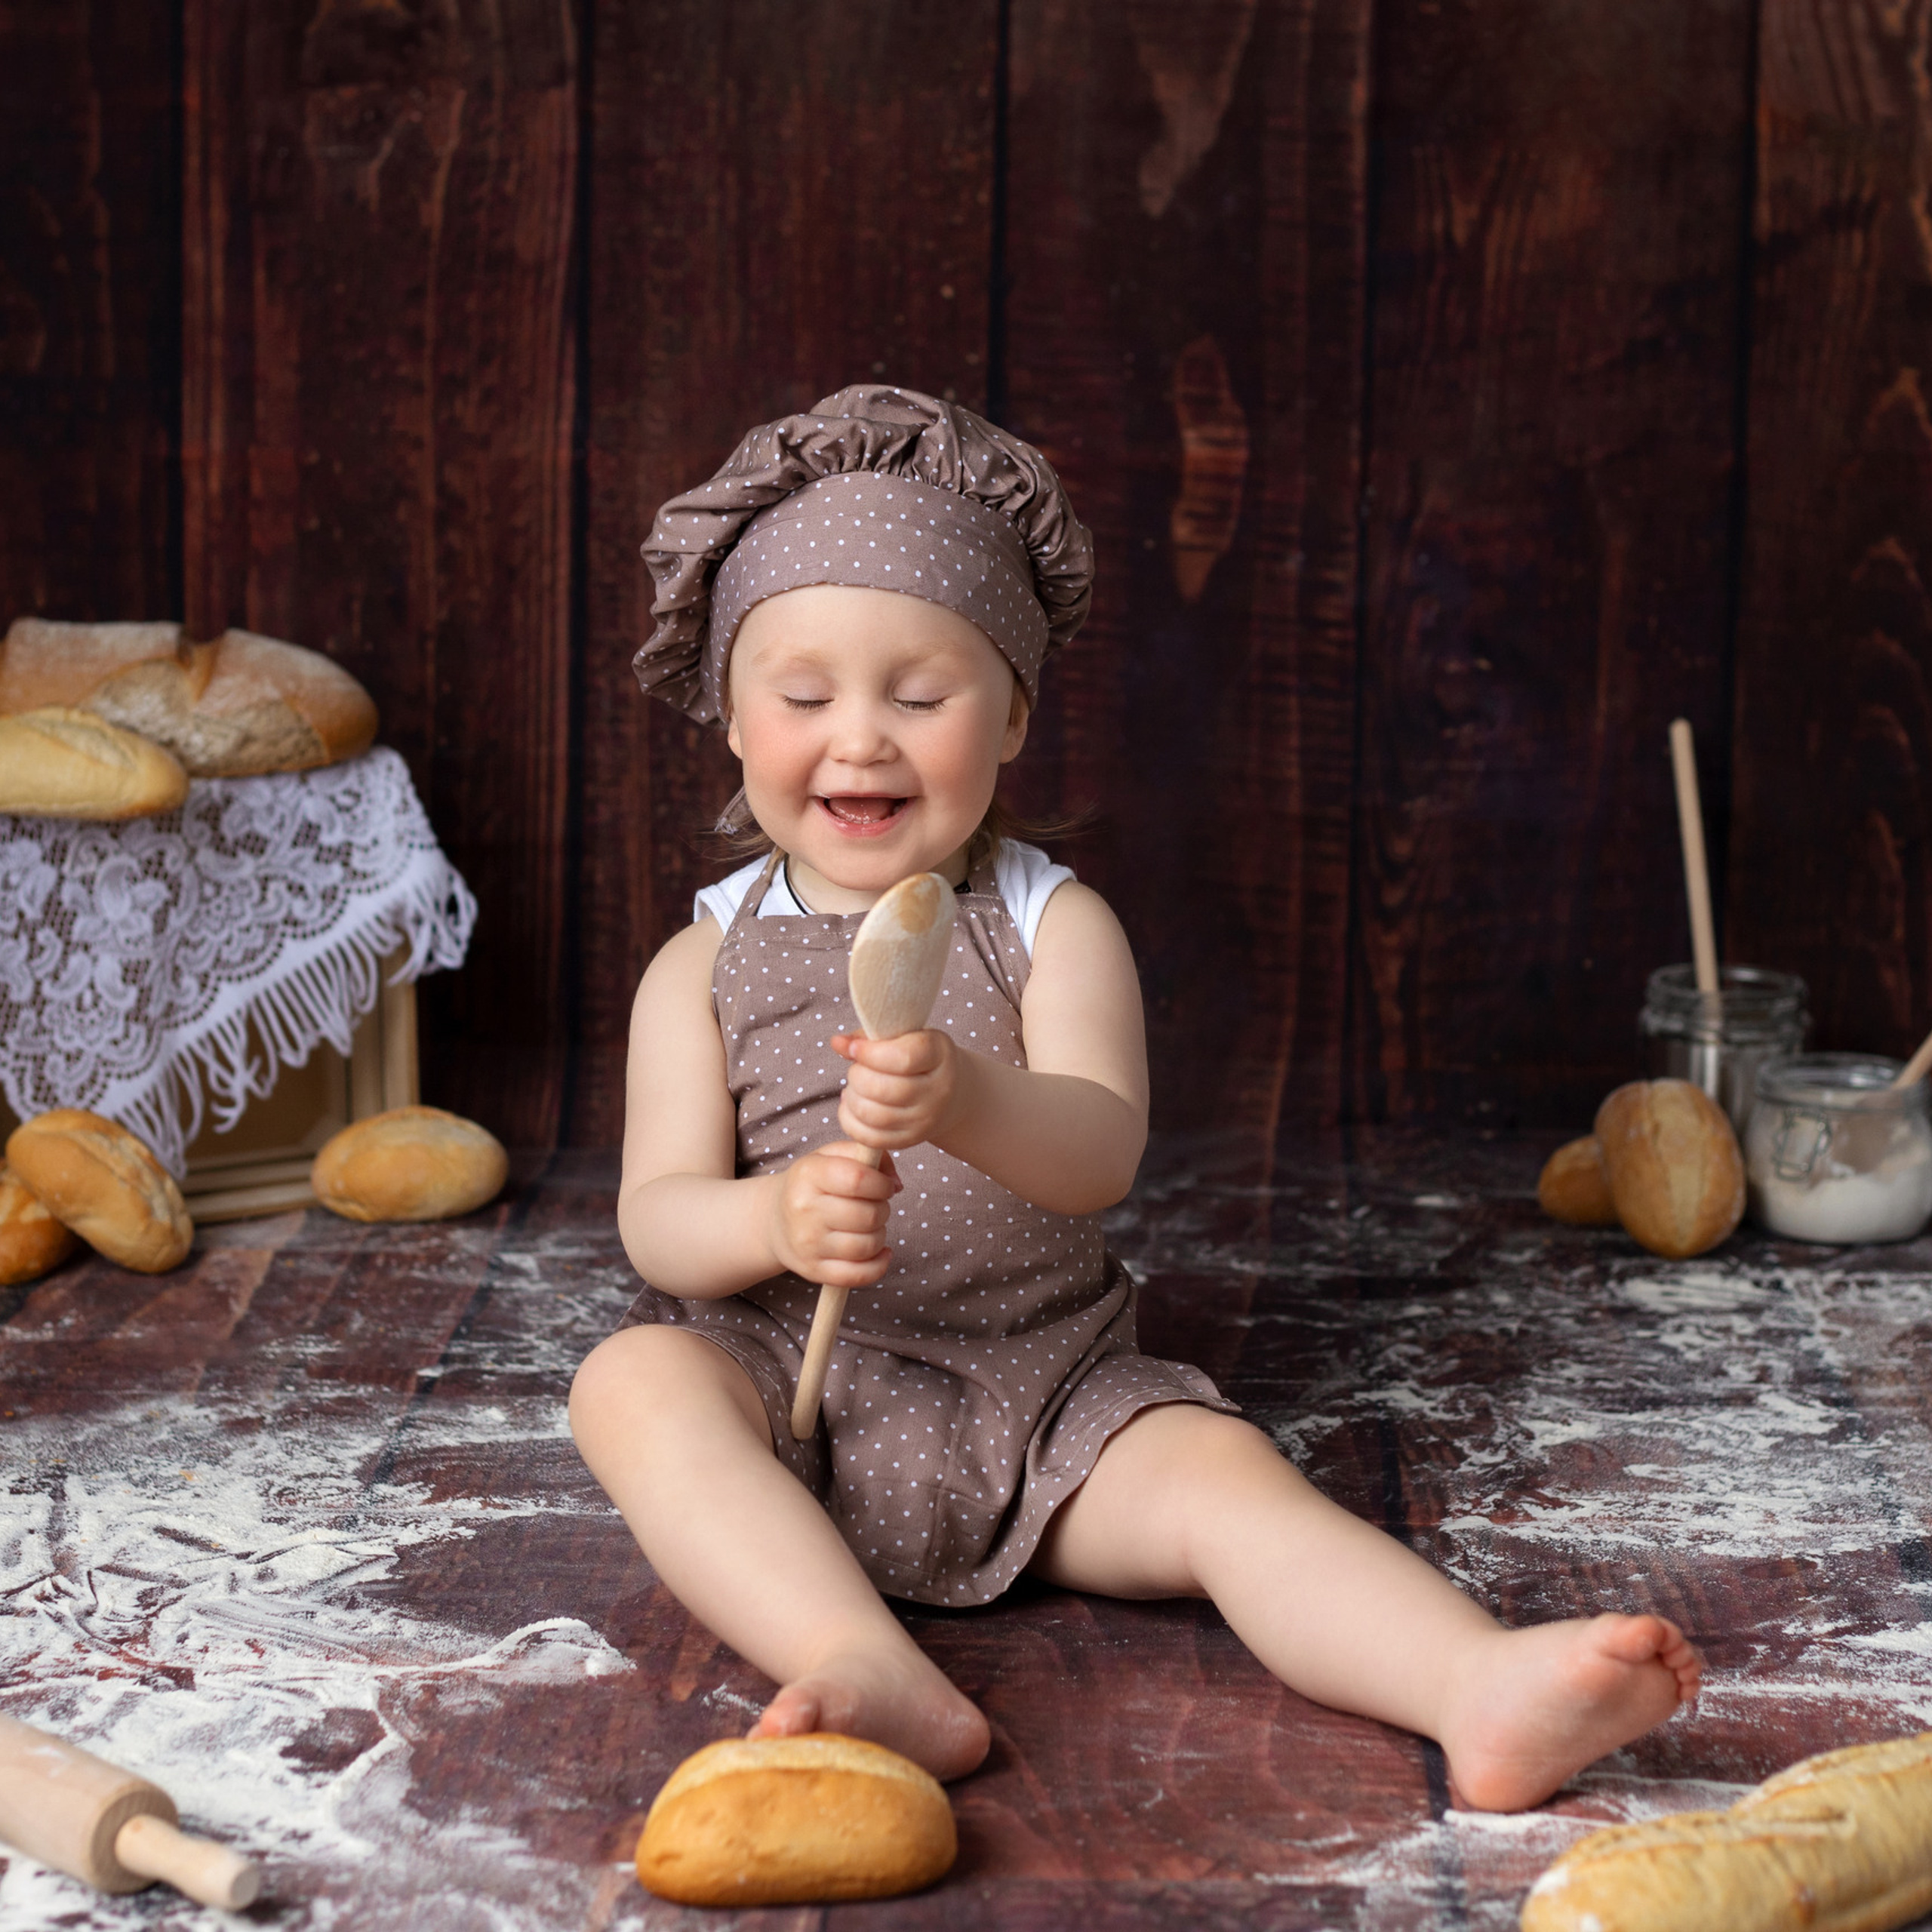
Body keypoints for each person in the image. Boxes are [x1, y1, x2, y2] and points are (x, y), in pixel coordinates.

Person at [569, 385, 1699, 1807]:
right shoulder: (701, 964)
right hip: (787, 1403)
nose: (861, 739)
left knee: (1233, 1484)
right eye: (803, 696)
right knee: (631, 1382)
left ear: (1015, 715)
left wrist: (965, 1098)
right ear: (731, 719)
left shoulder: (1055, 928)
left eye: (920, 696)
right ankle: (862, 1662)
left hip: (1045, 1400)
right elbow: (658, 1223)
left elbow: (1100, 1151)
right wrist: (775, 1216)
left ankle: (1472, 1683)